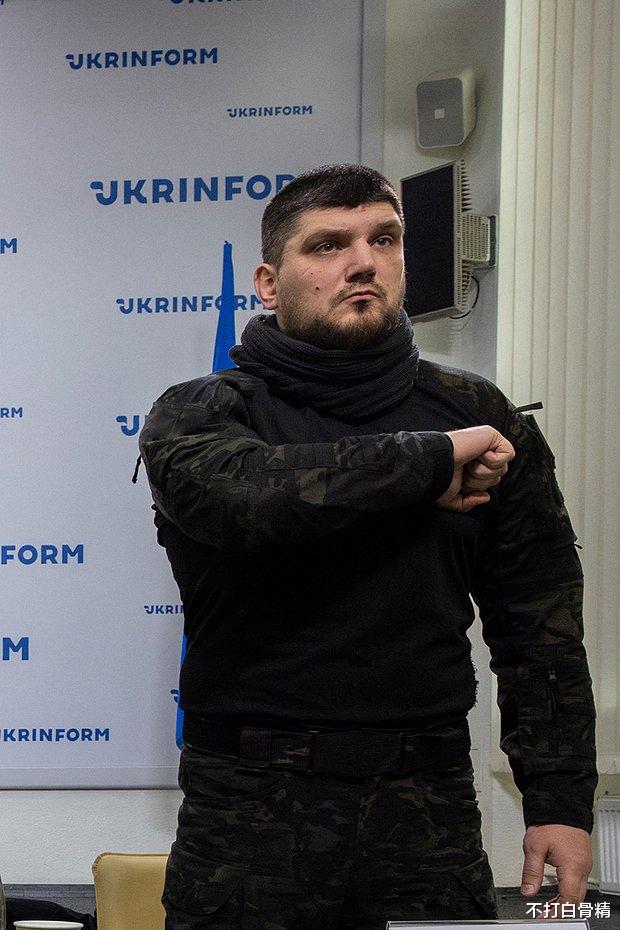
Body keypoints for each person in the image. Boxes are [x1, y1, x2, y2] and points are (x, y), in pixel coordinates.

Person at [139, 164, 597, 930]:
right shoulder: (204, 412)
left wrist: (558, 800)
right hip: (248, 811)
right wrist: (428, 465)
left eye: (384, 239)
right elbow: (244, 497)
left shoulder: (477, 414)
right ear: (267, 282)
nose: (363, 262)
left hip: (429, 809)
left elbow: (539, 623)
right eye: (328, 245)